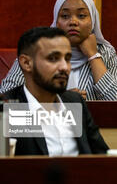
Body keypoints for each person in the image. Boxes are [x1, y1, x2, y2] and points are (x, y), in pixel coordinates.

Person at [0, 0, 117, 100]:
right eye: (65, 16)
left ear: (92, 21)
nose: (73, 22)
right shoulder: (36, 49)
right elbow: (5, 97)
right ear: (56, 21)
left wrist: (93, 56)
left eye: (81, 16)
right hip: (42, 123)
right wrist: (57, 99)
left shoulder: (106, 52)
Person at [3, 27, 109, 156]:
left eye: (68, 58)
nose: (64, 67)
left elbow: (102, 156)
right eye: (53, 58)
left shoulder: (75, 102)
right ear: (26, 63)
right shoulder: (8, 109)